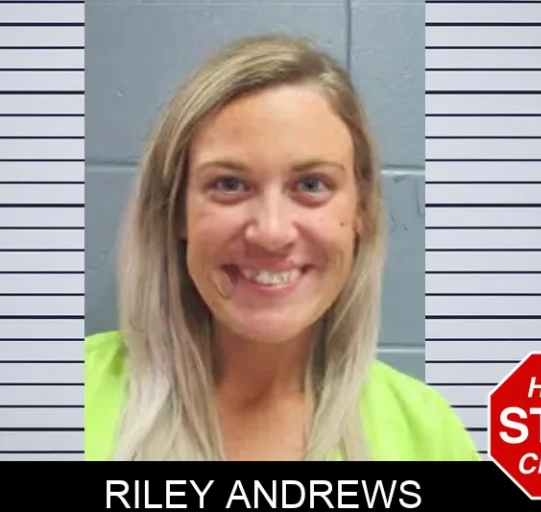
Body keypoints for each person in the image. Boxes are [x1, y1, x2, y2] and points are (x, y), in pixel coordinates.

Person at [85, 34, 480, 461]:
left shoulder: (427, 435)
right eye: (229, 184)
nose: (271, 233)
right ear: (176, 211)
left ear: (361, 209)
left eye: (311, 185)